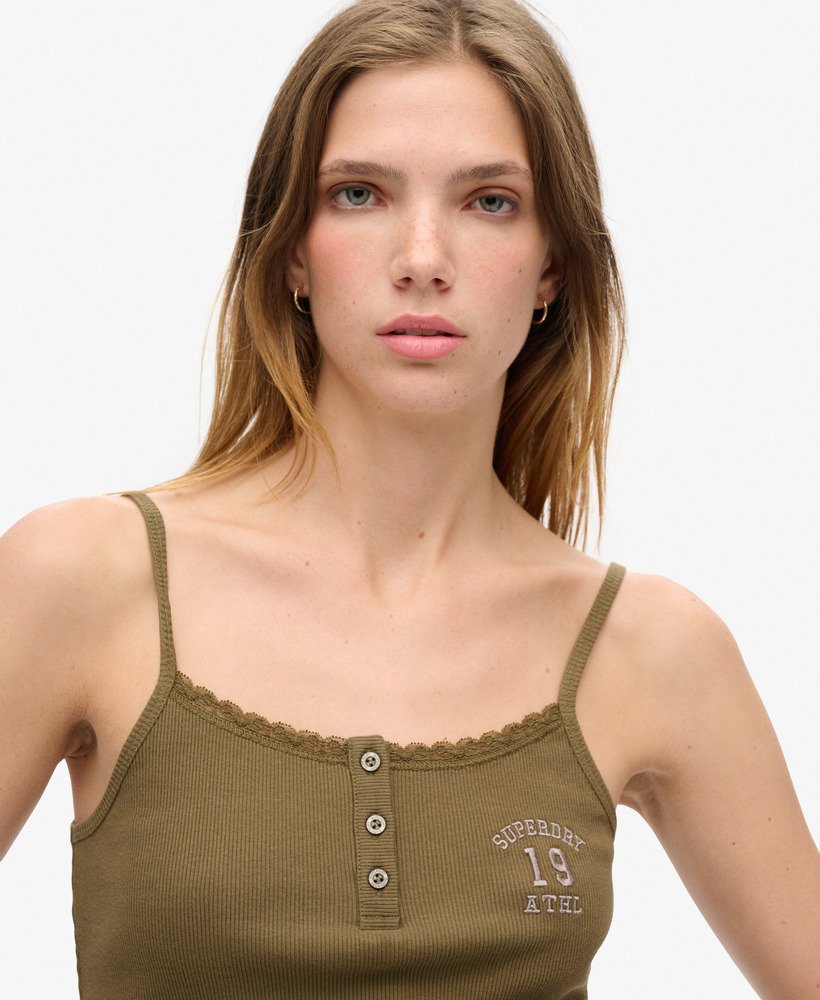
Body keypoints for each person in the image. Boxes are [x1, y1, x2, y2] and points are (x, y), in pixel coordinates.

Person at [1, 0, 817, 996]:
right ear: (291, 250)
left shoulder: (650, 648)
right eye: (359, 194)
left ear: (553, 265)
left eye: (489, 202)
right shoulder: (82, 580)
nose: (423, 259)